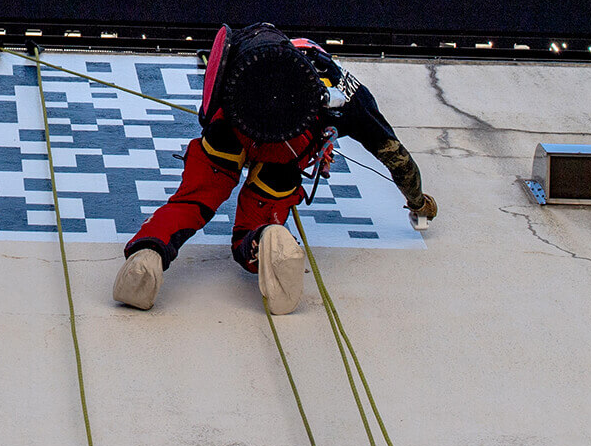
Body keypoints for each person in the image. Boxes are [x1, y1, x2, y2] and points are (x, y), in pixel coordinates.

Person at [112, 23, 437, 314]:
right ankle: (267, 236)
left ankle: (148, 255)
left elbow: (217, 64)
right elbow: (397, 158)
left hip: (231, 125)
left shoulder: (252, 47)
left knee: (193, 201)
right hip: (288, 146)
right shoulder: (351, 97)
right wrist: (418, 202)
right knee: (258, 218)